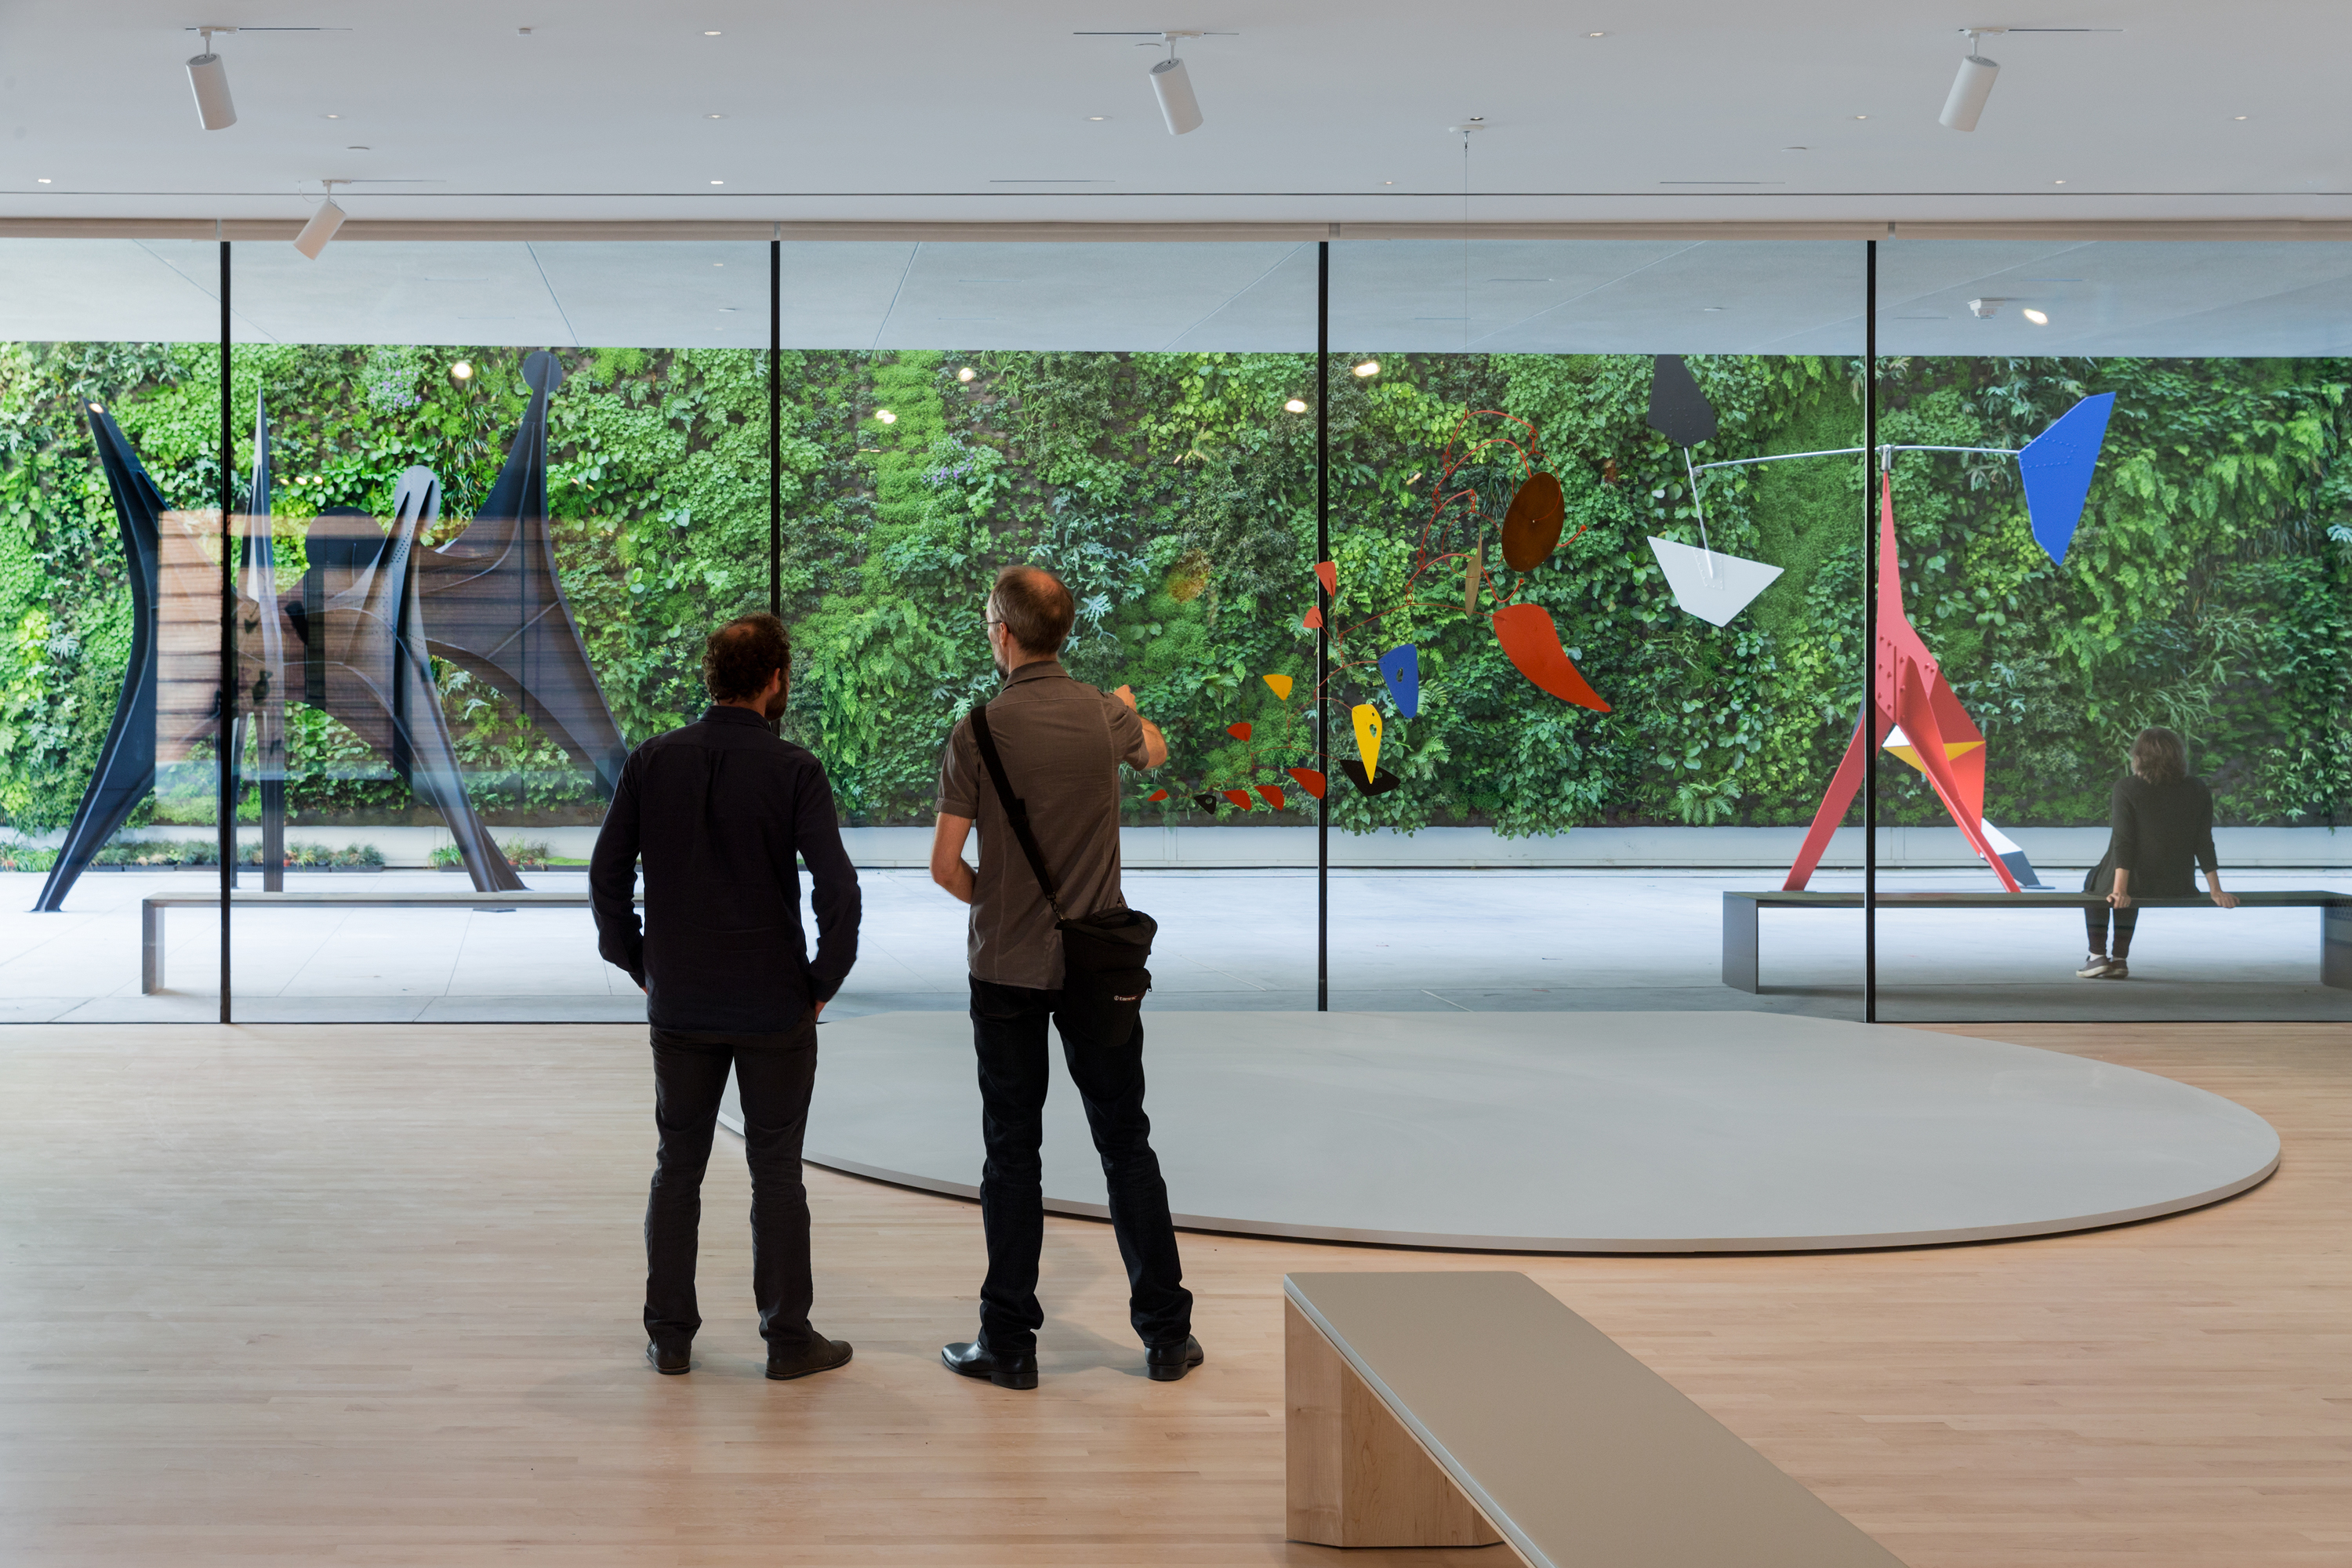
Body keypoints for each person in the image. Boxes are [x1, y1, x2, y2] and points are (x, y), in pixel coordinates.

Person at [927, 564, 1200, 1391]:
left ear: (1003, 634)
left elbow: (945, 867)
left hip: (1006, 968)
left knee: (1013, 1150)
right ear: (1060, 633)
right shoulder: (1104, 713)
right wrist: (1129, 702)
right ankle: (1165, 1336)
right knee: (1126, 1140)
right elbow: (1154, 750)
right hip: (1096, 966)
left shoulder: (975, 730)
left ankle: (1007, 1343)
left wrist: (1003, 906)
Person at [590, 612, 862, 1381]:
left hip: (681, 1002)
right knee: (777, 1169)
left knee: (678, 1163)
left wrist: (639, 959)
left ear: (711, 677)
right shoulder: (795, 770)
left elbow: (606, 876)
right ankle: (786, 1338)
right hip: (774, 1003)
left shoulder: (651, 761)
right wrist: (821, 981)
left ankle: (670, 1336)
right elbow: (837, 888)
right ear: (775, 680)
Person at [2078, 725, 2238, 979]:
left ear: (2139, 756)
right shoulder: (2197, 788)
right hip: (2177, 884)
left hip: (2140, 882)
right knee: (2124, 885)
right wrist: (2215, 891)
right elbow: (2204, 842)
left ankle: (2097, 956)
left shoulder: (2126, 787)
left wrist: (2119, 890)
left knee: (2095, 881)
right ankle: (2119, 959)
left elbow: (2124, 841)